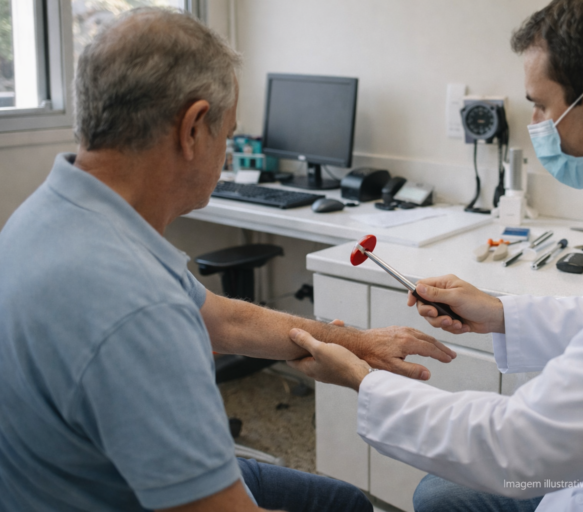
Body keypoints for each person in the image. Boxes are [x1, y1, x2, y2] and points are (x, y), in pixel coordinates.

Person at [285, 0, 583, 511]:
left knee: (444, 495)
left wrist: (363, 380)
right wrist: (499, 312)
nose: (537, 124)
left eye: (540, 106)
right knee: (439, 494)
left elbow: (518, 447)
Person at [0, 8, 456, 512]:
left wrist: (357, 343)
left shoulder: (47, 214)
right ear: (193, 128)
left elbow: (225, 318)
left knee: (343, 501)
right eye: (229, 134)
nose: (228, 152)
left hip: (67, 476)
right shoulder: (137, 305)